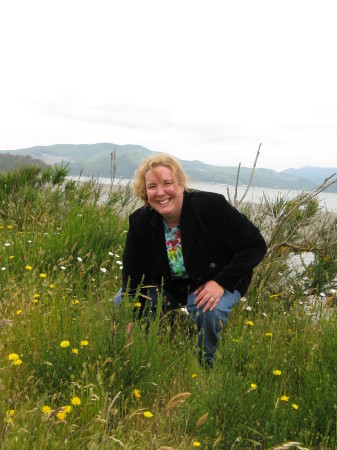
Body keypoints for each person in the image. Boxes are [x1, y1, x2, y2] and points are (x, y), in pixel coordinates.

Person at [115, 154, 267, 365]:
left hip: (217, 279)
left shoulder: (212, 207)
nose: (160, 192)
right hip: (170, 285)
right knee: (122, 301)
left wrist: (220, 282)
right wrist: (131, 316)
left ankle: (205, 363)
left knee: (207, 309)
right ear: (145, 192)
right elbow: (133, 274)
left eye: (167, 183)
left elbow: (255, 245)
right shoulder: (140, 221)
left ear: (180, 185)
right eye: (152, 186)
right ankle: (155, 342)